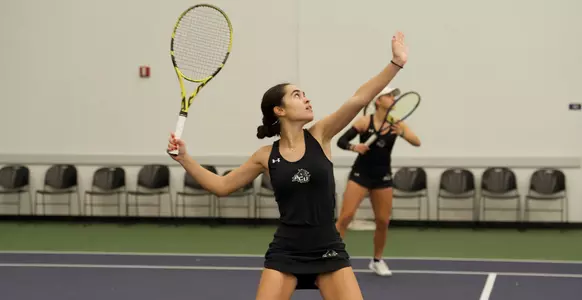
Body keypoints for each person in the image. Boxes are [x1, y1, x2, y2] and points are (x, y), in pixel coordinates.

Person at [167, 31, 408, 300]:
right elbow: (222, 186)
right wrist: (185, 159)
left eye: (304, 94)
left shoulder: (321, 134)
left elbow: (359, 99)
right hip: (286, 251)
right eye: (296, 95)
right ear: (279, 110)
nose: (306, 98)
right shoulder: (264, 155)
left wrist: (396, 63)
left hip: (328, 247)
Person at [335, 85, 421, 277]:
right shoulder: (365, 122)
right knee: (345, 217)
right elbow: (341, 141)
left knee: (383, 221)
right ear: (378, 101)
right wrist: (354, 147)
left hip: (382, 176)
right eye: (389, 96)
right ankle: (333, 258)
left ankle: (377, 261)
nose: (393, 99)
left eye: (393, 96)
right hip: (360, 175)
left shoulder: (397, 124)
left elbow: (417, 142)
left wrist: (402, 133)